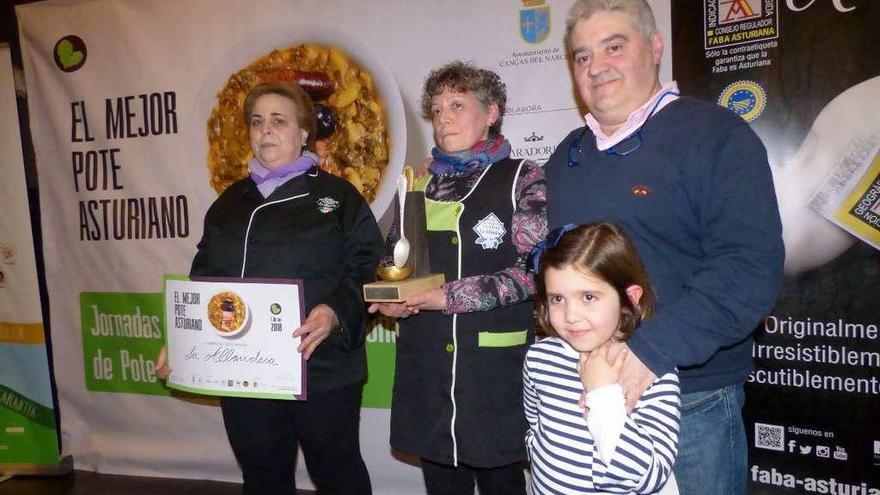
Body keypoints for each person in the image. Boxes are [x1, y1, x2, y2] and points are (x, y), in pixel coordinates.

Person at [543, 1, 785, 493]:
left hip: (690, 403)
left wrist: (647, 354)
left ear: (655, 48)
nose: (597, 66)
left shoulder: (716, 136)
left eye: (614, 46)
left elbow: (748, 268)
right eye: (582, 56)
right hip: (581, 395)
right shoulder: (565, 158)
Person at [157, 81, 383, 495]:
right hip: (243, 369)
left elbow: (370, 266)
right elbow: (203, 277)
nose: (266, 130)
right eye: (258, 121)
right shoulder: (228, 203)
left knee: (338, 475)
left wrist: (334, 311)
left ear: (303, 133)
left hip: (322, 366)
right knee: (263, 478)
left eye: (279, 121)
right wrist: (181, 338)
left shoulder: (338, 198)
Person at [368, 61, 547, 495]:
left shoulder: (523, 178)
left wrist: (445, 296)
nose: (443, 116)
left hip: (493, 373)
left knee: (502, 481)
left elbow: (534, 275)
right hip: (428, 369)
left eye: (457, 104)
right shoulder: (416, 183)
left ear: (492, 113)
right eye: (437, 107)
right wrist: (397, 299)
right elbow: (399, 261)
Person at [524, 222, 679, 494]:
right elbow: (535, 425)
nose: (570, 315)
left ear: (629, 299)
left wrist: (603, 395)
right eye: (557, 299)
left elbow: (650, 476)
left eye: (588, 297)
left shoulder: (651, 372)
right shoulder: (540, 357)